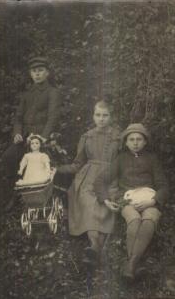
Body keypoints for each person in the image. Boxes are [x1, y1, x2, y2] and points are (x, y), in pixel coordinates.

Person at [56, 100, 121, 265]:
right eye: (98, 115)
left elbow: (124, 162)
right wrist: (57, 169)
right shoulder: (87, 136)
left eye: (105, 115)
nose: (101, 119)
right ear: (93, 116)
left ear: (111, 117)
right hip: (88, 176)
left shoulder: (119, 137)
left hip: (110, 175)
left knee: (106, 202)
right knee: (87, 201)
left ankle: (98, 246)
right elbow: (78, 163)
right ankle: (94, 244)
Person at [105, 123, 169, 281]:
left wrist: (152, 201)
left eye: (139, 139)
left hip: (149, 198)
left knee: (149, 219)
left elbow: (164, 186)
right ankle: (134, 263)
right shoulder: (120, 159)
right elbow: (101, 181)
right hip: (128, 200)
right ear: (125, 142)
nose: (135, 143)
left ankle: (131, 263)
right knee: (134, 220)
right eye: (131, 139)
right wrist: (105, 199)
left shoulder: (152, 159)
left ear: (145, 141)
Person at [1, 56, 60, 209]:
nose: (37, 74)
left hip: (40, 139)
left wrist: (44, 137)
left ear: (47, 73)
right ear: (30, 74)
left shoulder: (52, 92)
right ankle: (16, 193)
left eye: (40, 71)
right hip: (25, 138)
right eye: (34, 71)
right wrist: (17, 133)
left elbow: (53, 117)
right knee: (9, 157)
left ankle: (39, 197)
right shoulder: (27, 94)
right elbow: (18, 117)